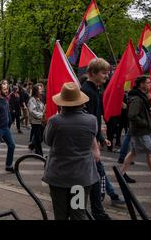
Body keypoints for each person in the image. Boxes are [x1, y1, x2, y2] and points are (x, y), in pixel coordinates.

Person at [42, 82, 100, 220]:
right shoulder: (92, 120)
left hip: (58, 176)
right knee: (78, 213)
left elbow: (47, 141)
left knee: (60, 214)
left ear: (62, 103)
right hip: (81, 176)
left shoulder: (55, 121)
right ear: (81, 103)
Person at [80, 58, 123, 219]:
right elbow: (87, 122)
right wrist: (95, 146)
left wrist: (101, 137)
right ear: (92, 73)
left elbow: (94, 120)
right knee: (95, 178)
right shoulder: (88, 92)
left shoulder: (94, 90)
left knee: (96, 177)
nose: (107, 75)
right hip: (87, 146)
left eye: (107, 72)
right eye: (104, 73)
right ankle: (96, 212)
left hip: (91, 143)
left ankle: (90, 210)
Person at [120, 76, 151, 182]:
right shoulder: (137, 99)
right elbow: (132, 115)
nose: (150, 84)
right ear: (142, 84)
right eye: (148, 83)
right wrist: (144, 123)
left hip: (142, 130)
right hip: (141, 131)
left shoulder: (141, 97)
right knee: (150, 154)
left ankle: (122, 174)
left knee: (133, 152)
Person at [0, 81, 15, 176]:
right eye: (4, 89)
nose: (7, 90)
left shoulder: (5, 100)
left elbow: (7, 113)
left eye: (7, 89)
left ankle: (8, 165)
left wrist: (10, 121)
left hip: (5, 128)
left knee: (12, 145)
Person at [28, 84, 45, 156]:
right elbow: (32, 111)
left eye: (41, 89)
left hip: (40, 121)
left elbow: (42, 108)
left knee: (41, 137)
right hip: (35, 122)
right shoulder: (32, 99)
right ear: (36, 91)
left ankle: (32, 145)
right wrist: (42, 116)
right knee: (38, 138)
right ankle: (39, 153)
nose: (41, 90)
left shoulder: (40, 99)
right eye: (39, 89)